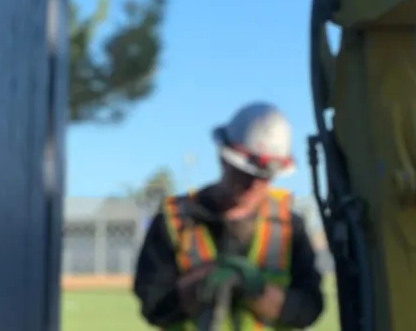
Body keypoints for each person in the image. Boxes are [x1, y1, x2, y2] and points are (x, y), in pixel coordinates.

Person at [132, 103, 326, 330]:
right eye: (243, 173)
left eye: (264, 177)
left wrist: (257, 291)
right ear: (223, 157)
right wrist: (204, 282)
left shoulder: (288, 227)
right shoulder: (174, 220)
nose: (253, 185)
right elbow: (154, 306)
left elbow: (309, 309)